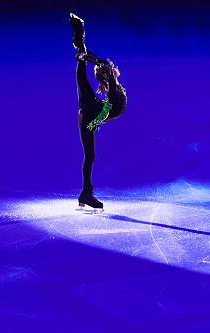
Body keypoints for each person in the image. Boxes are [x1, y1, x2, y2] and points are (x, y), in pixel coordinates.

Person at [69, 13, 127, 209]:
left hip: (93, 113)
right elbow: (103, 65)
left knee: (82, 81)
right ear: (109, 72)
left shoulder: (113, 85)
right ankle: (86, 194)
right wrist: (89, 57)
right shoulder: (112, 84)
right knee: (82, 80)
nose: (116, 67)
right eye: (113, 67)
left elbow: (102, 65)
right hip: (90, 113)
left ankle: (85, 193)